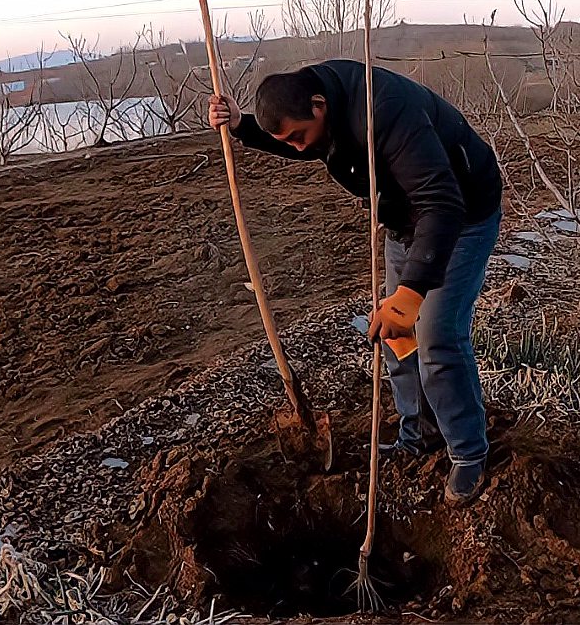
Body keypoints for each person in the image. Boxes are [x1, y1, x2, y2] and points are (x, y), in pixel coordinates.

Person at [208, 59, 502, 506]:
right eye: (287, 140)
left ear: (320, 105)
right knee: (394, 333)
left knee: (436, 335)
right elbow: (303, 143)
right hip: (406, 219)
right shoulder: (316, 108)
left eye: (299, 135)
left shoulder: (384, 110)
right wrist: (241, 126)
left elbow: (442, 203)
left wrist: (410, 293)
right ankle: (419, 434)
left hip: (459, 215)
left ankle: (468, 453)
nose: (298, 149)